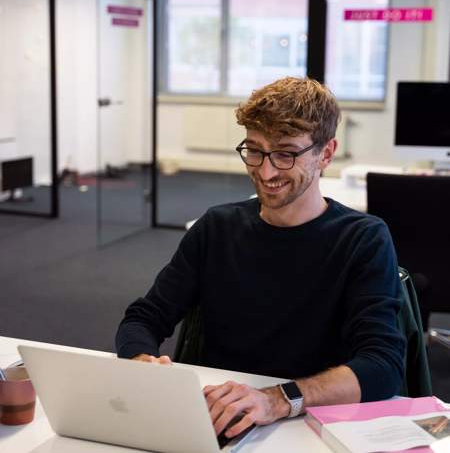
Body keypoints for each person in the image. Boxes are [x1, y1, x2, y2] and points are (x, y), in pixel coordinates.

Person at [116, 76, 405, 440]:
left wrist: (278, 399)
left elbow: (382, 366)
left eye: (286, 154)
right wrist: (142, 362)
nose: (266, 172)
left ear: (326, 154)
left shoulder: (362, 238)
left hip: (307, 425)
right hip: (217, 421)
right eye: (254, 151)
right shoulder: (217, 227)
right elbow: (143, 318)